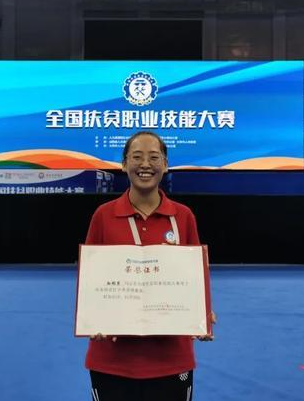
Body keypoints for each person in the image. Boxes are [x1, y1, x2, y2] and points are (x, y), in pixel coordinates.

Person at [84, 131, 215, 401]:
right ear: (124, 164)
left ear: (165, 165)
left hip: (171, 359)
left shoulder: (183, 216)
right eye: (137, 157)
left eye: (154, 157)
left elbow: (195, 277)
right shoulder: (103, 216)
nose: (145, 164)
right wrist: (92, 317)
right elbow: (90, 280)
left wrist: (201, 314)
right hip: (111, 361)